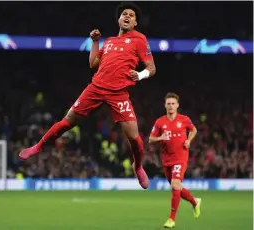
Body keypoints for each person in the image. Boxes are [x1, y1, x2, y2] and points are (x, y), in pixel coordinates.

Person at [19, 2, 156, 189]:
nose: (127, 16)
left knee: (134, 137)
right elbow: (93, 63)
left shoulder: (140, 39)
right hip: (96, 88)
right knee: (67, 121)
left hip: (118, 93)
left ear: (135, 23)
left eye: (131, 15)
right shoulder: (108, 42)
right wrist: (94, 41)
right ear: (118, 19)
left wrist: (140, 75)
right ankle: (38, 146)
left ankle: (138, 166)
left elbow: (152, 68)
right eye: (124, 13)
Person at [149, 92, 201, 228]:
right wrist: (160, 138)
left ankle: (172, 218)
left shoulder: (184, 119)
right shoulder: (160, 122)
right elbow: (150, 139)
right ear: (165, 106)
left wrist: (189, 140)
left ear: (177, 105)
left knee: (175, 185)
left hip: (181, 157)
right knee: (176, 186)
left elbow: (194, 129)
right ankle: (195, 202)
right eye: (168, 104)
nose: (171, 106)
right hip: (166, 159)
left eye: (173, 104)